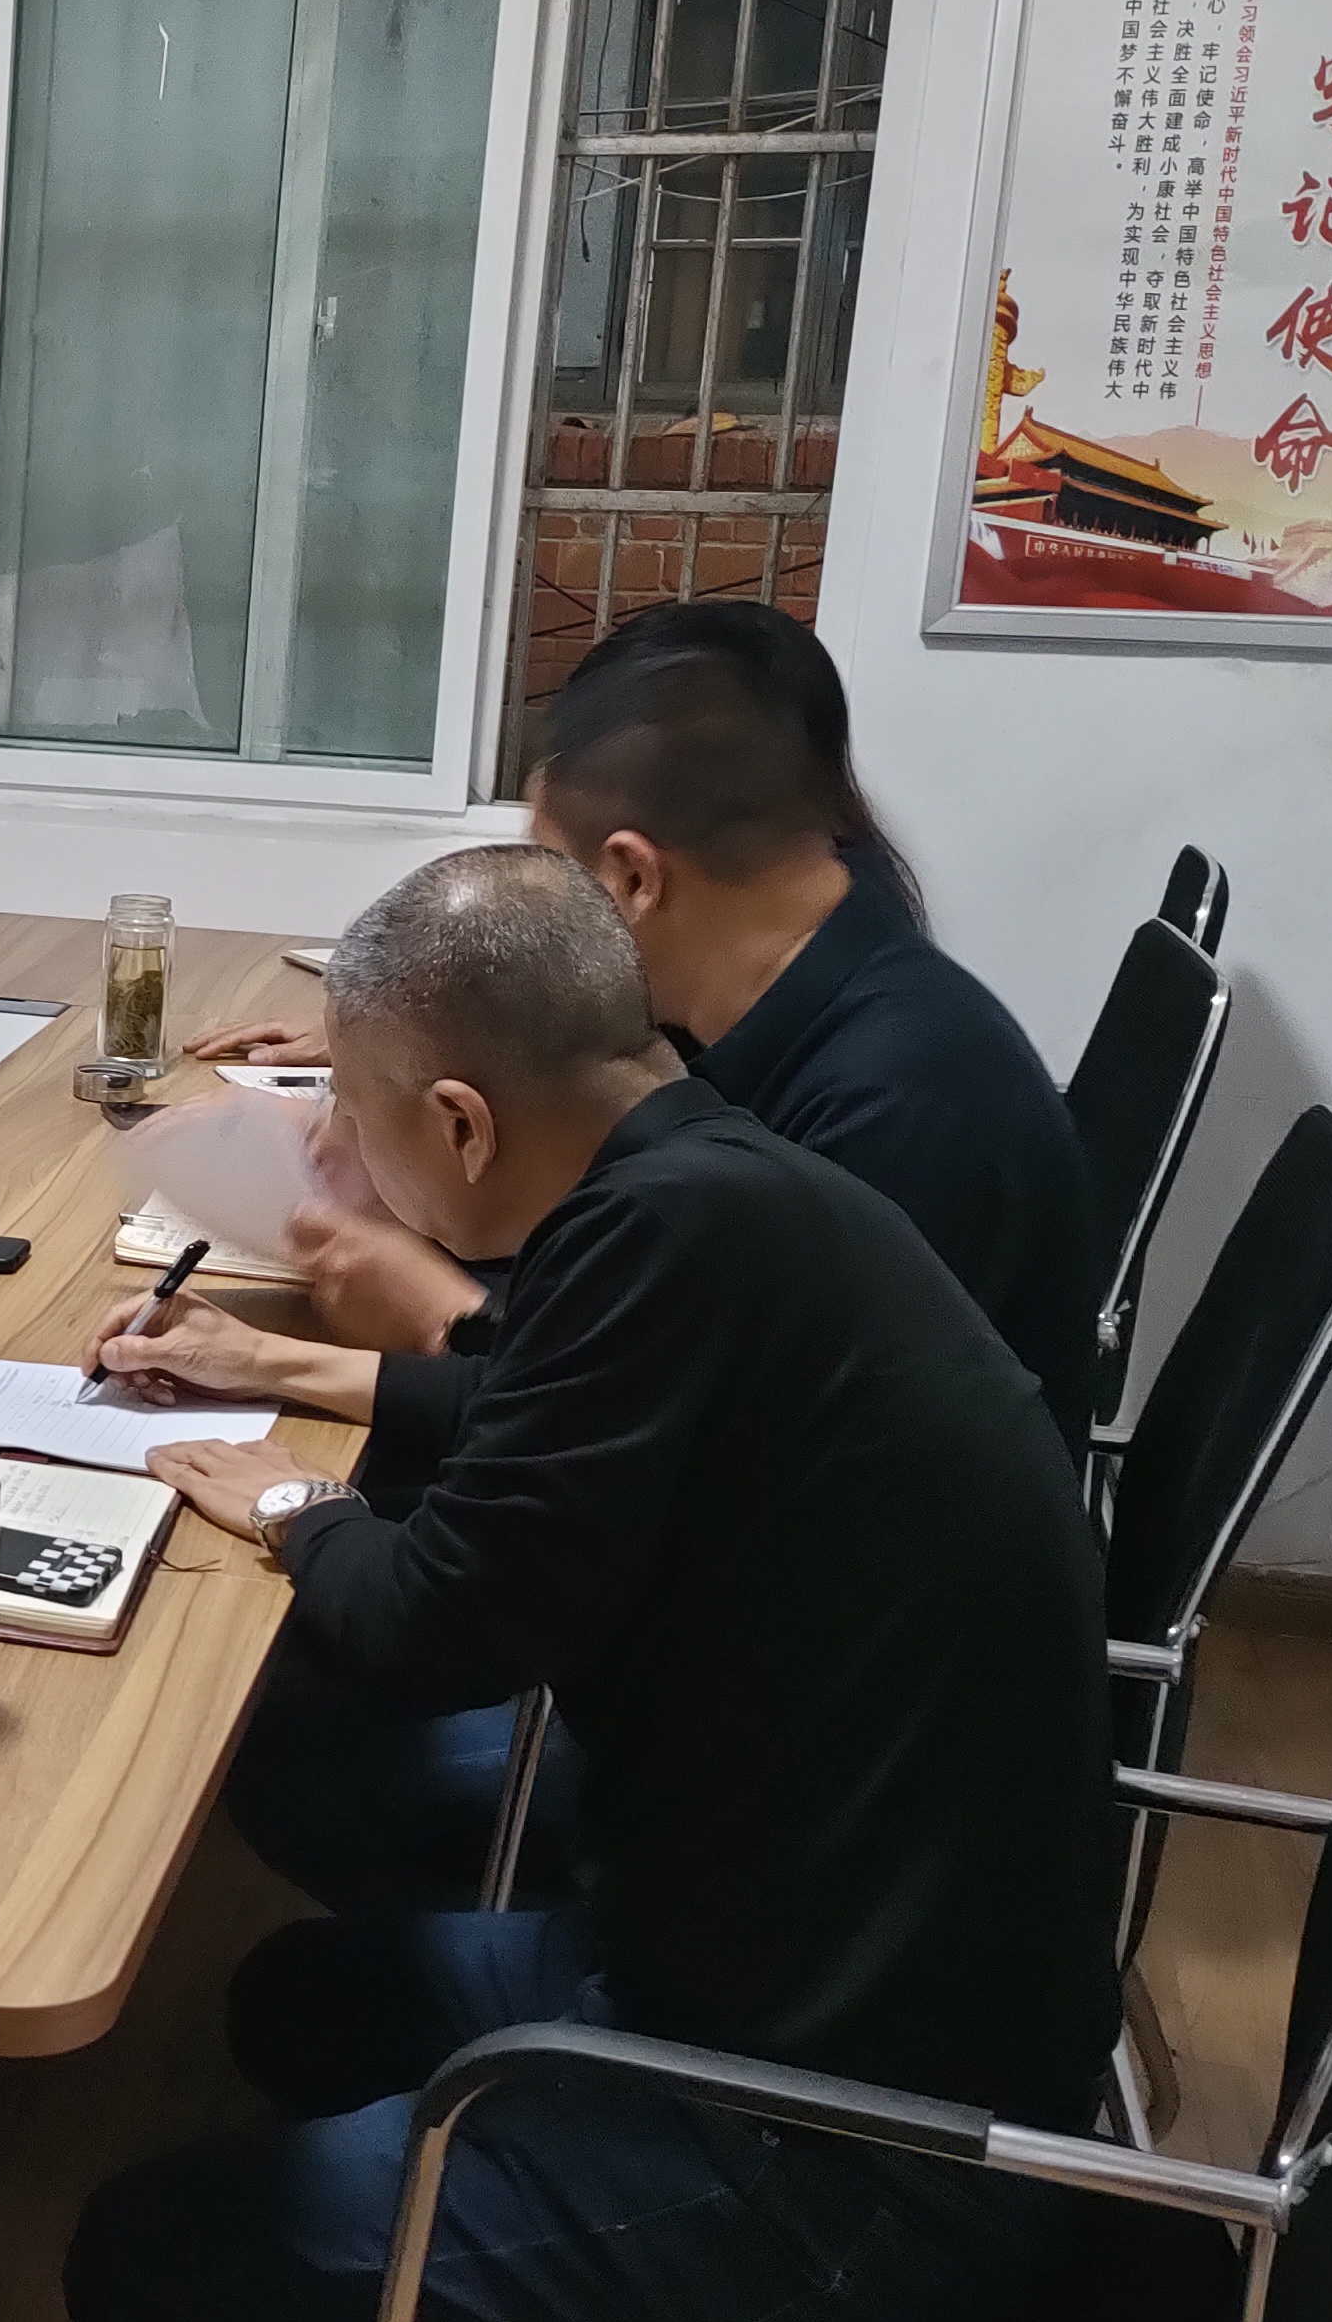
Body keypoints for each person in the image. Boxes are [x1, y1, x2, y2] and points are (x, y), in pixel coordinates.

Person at [66, 845, 1115, 2322]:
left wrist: (280, 1511)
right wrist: (303, 1379)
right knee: (300, 1999)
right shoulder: (706, 1181)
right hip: (835, 1984)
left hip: (840, 2154)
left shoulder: (661, 1245)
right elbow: (543, 1408)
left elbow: (427, 1622)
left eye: (349, 1128)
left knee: (151, 2269)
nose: (338, 1168)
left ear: (458, 1125)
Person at [132, 601, 1096, 1909]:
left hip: (816, 1807)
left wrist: (311, 1485)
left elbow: (456, 1608)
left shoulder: (886, 1115)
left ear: (633, 879)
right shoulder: (713, 1106)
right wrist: (284, 1359)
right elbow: (600, 1391)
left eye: (557, 881)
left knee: (290, 1730)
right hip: (808, 1712)